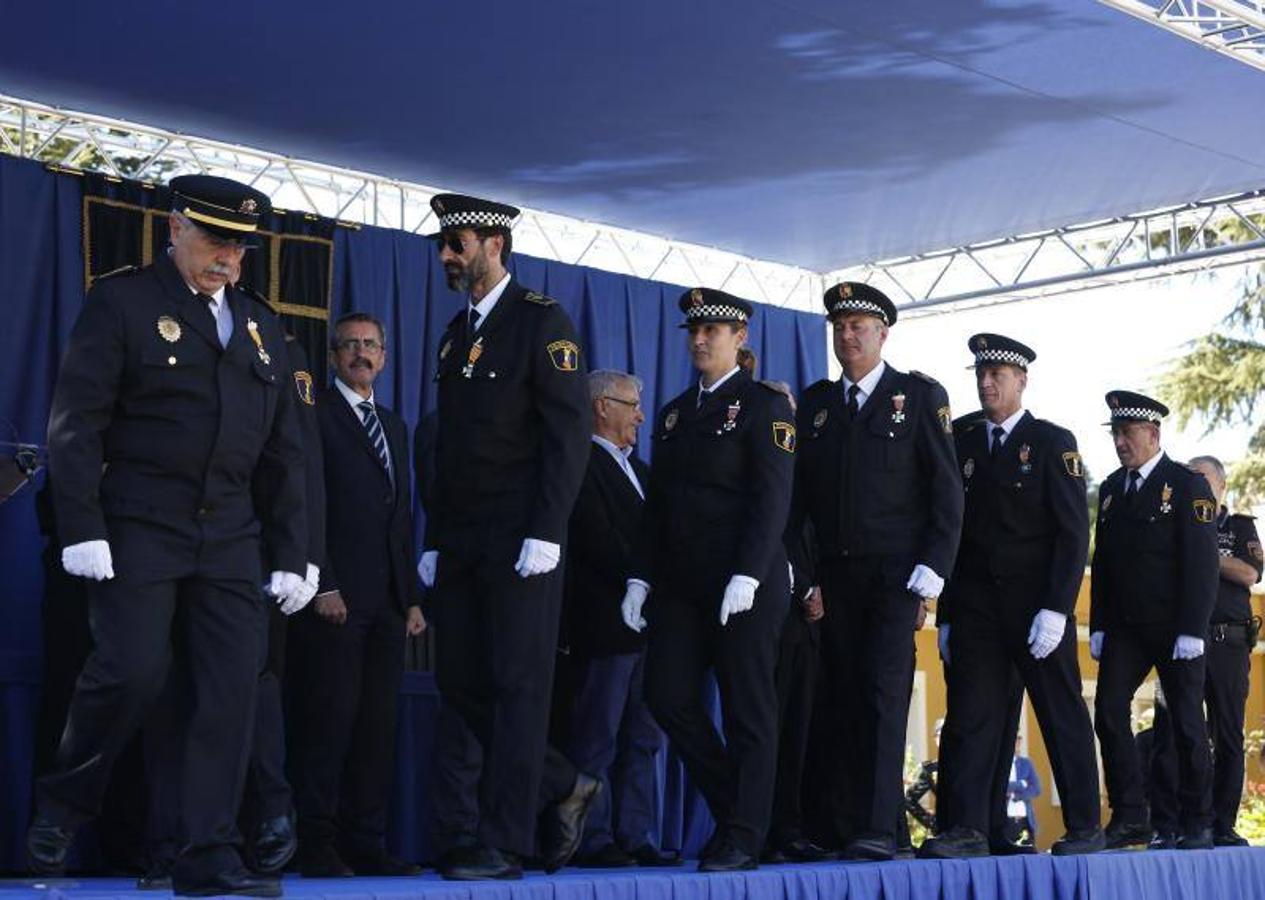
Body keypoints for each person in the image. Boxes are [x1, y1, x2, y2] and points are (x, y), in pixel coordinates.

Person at [29, 175, 308, 898]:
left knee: (227, 693)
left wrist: (293, 551)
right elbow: (77, 421)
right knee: (131, 670)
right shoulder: (122, 302)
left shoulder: (259, 323)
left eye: (240, 246)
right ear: (175, 229)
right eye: (215, 239)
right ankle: (65, 800)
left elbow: (284, 452)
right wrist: (81, 524)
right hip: (139, 524)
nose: (228, 258)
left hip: (230, 534)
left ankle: (204, 853)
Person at [417, 194, 596, 880]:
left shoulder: (541, 321)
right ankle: (561, 783)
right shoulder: (453, 335)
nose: (445, 256)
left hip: (523, 536)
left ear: (493, 246)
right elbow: (451, 447)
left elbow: (565, 433)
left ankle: (505, 840)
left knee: (518, 685)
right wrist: (435, 535)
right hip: (463, 535)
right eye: (444, 245)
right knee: (460, 680)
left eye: (455, 244)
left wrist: (548, 528)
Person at [786, 282, 962, 861]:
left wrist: (932, 571)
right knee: (836, 698)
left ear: (884, 333)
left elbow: (945, 489)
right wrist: (804, 576)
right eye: (839, 325)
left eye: (860, 324)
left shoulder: (915, 396)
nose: (848, 333)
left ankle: (878, 829)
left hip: (894, 577)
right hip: (833, 579)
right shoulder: (814, 404)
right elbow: (795, 504)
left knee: (883, 697)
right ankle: (839, 824)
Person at [622, 288, 795, 872]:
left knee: (750, 709)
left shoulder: (764, 405)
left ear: (739, 337)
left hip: (743, 581)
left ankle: (744, 833)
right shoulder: (673, 414)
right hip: (683, 585)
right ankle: (745, 812)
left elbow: (772, 501)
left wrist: (748, 573)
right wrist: (640, 580)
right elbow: (659, 509)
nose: (699, 340)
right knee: (666, 695)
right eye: (693, 331)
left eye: (712, 332)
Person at [922, 334, 1103, 858]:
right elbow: (953, 532)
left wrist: (1056, 608)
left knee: (1059, 714)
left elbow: (1073, 534)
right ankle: (970, 829)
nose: (986, 382)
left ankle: (1086, 826)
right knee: (972, 717)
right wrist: (949, 614)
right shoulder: (963, 442)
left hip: (1036, 606)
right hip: (978, 605)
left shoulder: (1051, 441)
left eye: (997, 374)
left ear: (1021, 381)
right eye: (980, 373)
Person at [286, 312, 424, 877]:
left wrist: (412, 596)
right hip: (335, 599)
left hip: (388, 604)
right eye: (351, 346)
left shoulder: (393, 424)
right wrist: (326, 580)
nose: (361, 354)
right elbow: (305, 500)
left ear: (385, 357)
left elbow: (400, 517)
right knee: (328, 724)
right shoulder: (313, 412)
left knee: (376, 728)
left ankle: (364, 840)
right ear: (334, 355)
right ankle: (316, 843)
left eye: (371, 345)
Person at [1090, 391, 1219, 850]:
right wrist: (1099, 622)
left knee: (1186, 723)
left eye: (1128, 434)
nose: (1121, 443)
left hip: (1174, 625)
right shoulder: (1110, 490)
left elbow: (1202, 562)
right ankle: (1129, 814)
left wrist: (1193, 627)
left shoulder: (1185, 484)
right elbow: (1103, 562)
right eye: (1116, 435)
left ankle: (1197, 819)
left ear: (1153, 434)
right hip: (1126, 626)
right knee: (1107, 711)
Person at [562, 370, 679, 868]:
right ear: (601, 406)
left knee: (644, 736)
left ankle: (636, 834)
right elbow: (596, 538)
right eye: (631, 404)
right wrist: (645, 575)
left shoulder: (645, 472)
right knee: (597, 736)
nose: (640, 415)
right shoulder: (578, 463)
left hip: (649, 625)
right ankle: (591, 838)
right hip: (603, 625)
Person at [1147, 455, 1261, 848]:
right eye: (1189, 477)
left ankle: (1223, 824)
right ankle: (1168, 823)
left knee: (1228, 735)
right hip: (1180, 643)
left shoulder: (1239, 526)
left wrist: (1202, 551)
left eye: (1202, 478)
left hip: (1227, 643)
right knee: (1169, 732)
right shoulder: (1171, 521)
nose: (1194, 484)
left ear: (1221, 486)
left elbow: (1249, 572)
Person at [1002, 736, 1042, 846]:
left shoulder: (1026, 763)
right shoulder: (998, 765)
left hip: (1025, 820)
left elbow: (1036, 788)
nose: (1017, 744)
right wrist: (1021, 784)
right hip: (1005, 821)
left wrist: (1016, 796)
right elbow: (1001, 787)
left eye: (1018, 741)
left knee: (1028, 853)